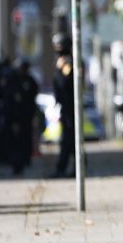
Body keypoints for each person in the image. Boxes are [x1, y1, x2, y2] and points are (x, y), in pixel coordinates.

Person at [51, 33, 76, 178]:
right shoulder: (64, 61)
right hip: (65, 108)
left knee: (68, 139)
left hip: (70, 107)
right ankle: (71, 167)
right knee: (69, 139)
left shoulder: (68, 63)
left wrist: (61, 70)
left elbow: (65, 83)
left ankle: (64, 168)